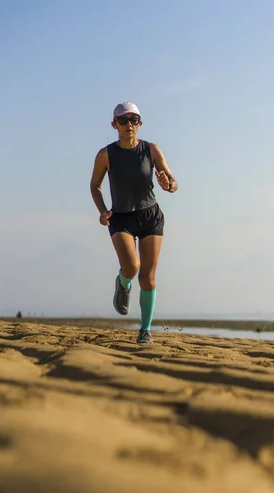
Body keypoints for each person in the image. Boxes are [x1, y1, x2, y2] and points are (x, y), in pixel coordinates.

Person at [90, 102, 177, 344]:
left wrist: (167, 184)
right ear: (114, 124)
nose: (129, 124)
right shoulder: (106, 154)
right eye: (123, 120)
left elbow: (173, 183)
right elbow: (94, 185)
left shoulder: (151, 150)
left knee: (148, 277)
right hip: (121, 218)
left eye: (134, 120)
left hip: (150, 217)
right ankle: (123, 282)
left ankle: (145, 330)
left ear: (140, 124)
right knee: (131, 267)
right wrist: (102, 211)